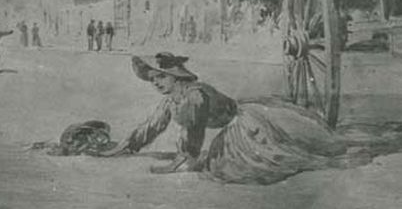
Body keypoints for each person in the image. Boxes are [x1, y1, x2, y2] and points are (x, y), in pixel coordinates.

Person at [99, 53, 347, 183]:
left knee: (246, 163)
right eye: (153, 80)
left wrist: (182, 160)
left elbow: (193, 129)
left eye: (161, 78)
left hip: (245, 125)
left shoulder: (195, 95)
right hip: (231, 127)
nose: (156, 83)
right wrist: (128, 146)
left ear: (177, 77)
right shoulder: (171, 100)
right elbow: (152, 126)